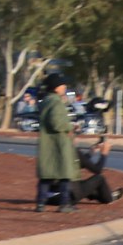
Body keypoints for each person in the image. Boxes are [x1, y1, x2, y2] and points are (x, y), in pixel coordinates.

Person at [35, 72, 79, 212]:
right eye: (62, 84)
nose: (64, 86)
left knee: (46, 176)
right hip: (59, 144)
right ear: (56, 87)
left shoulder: (46, 101)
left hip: (48, 144)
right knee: (64, 175)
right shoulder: (56, 102)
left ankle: (40, 203)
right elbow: (57, 123)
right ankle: (64, 204)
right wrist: (70, 127)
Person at [46, 138, 123, 206]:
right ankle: (110, 198)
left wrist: (90, 153)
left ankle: (104, 195)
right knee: (99, 179)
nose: (77, 139)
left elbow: (78, 164)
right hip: (67, 197)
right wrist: (104, 154)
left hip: (50, 197)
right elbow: (97, 170)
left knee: (85, 185)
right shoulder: (73, 151)